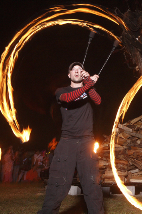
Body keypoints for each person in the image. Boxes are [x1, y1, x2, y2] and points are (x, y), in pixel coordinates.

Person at [38, 62, 104, 214]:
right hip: (67, 143)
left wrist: (89, 82)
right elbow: (68, 99)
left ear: (82, 74)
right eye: (73, 69)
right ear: (69, 75)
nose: (77, 71)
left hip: (87, 142)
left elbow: (98, 100)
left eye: (80, 69)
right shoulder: (61, 91)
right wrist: (88, 84)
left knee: (92, 185)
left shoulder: (89, 90)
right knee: (57, 185)